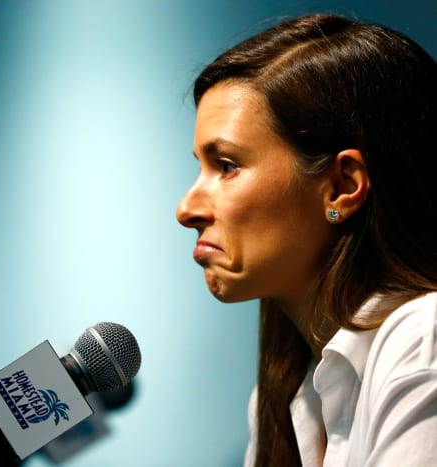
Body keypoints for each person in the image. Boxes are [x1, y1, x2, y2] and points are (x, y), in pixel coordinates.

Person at [176, 12, 437, 467]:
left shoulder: (424, 340)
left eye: (227, 166)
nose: (187, 210)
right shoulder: (285, 394)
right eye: (200, 166)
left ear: (341, 186)